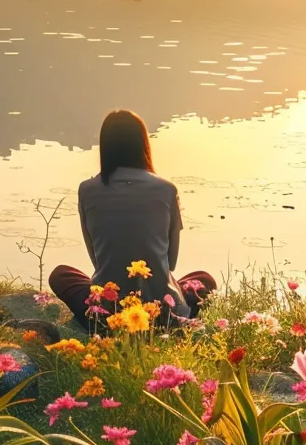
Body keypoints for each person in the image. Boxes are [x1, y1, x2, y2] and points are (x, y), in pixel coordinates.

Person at [49, 110, 216, 330]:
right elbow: (170, 262)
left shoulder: (87, 190)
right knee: (204, 279)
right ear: (143, 144)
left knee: (61, 275)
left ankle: (98, 321)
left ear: (105, 146)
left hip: (108, 309)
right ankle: (172, 320)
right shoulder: (166, 190)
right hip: (160, 308)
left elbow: (97, 260)